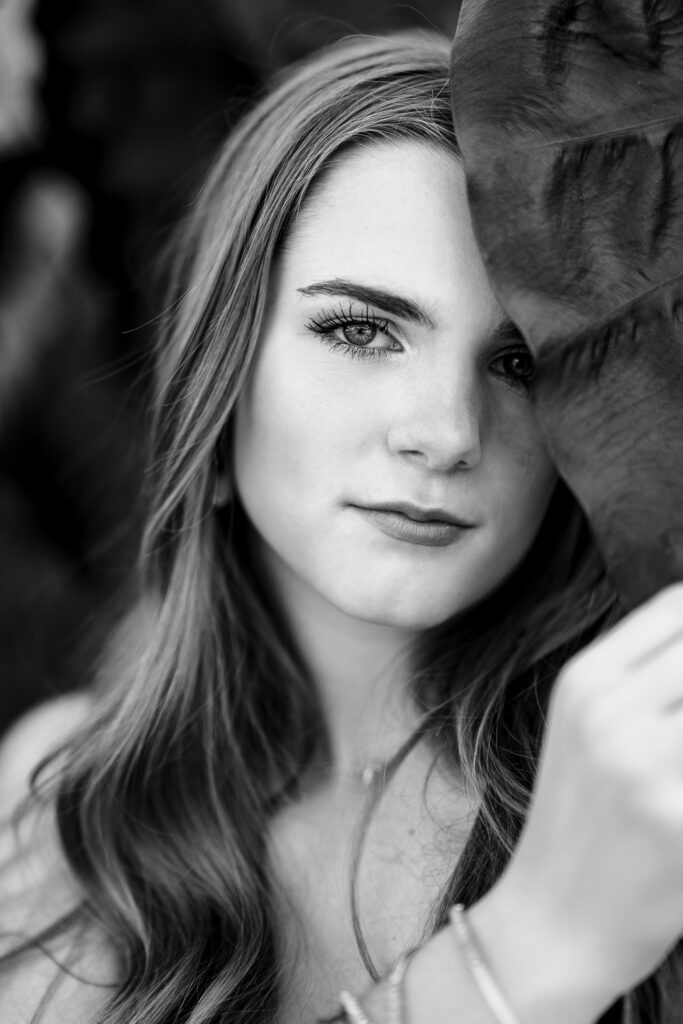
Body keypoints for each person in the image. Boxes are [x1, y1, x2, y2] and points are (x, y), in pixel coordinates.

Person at [1, 27, 683, 1024]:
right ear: (219, 378)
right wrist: (523, 954)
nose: (445, 432)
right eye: (360, 330)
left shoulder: (636, 785)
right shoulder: (56, 788)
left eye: (518, 361)